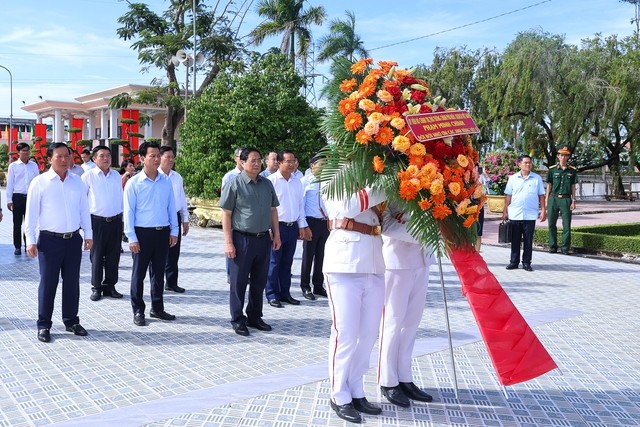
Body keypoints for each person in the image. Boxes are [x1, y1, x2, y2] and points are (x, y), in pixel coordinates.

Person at [324, 186, 387, 424]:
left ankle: (356, 388)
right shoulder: (337, 173)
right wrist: (387, 183)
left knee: (368, 335)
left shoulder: (375, 176)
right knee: (346, 334)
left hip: (375, 262)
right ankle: (339, 394)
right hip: (344, 264)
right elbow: (350, 206)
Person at [24, 142, 93, 343]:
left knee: (72, 283)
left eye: (67, 156)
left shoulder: (77, 182)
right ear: (49, 159)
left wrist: (88, 234)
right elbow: (31, 214)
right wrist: (31, 241)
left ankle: (71, 320)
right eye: (59, 156)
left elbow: (83, 210)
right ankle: (44, 324)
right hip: (49, 241)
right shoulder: (40, 182)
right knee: (48, 283)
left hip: (73, 240)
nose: (64, 160)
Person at [219, 147, 281, 337]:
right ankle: (238, 319)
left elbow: (273, 210)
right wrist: (228, 242)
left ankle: (254, 316)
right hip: (242, 239)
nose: (256, 163)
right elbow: (226, 214)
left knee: (259, 281)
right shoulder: (234, 184)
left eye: (258, 160)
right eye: (252, 160)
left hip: (263, 239)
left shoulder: (266, 184)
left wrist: (276, 234)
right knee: (238, 282)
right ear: (242, 162)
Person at [378, 203, 434, 407]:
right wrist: (422, 233)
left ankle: (404, 377)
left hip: (423, 259)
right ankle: (388, 380)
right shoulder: (390, 179)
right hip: (397, 260)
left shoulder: (433, 177)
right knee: (392, 323)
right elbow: (385, 222)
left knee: (411, 324)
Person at [123, 142, 179, 327]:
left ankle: (157, 307)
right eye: (152, 156)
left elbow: (171, 207)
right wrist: (131, 237)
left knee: (158, 273)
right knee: (138, 275)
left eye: (157, 155)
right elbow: (128, 212)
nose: (156, 159)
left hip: (162, 233)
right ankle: (138, 310)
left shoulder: (166, 182)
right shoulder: (134, 183)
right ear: (142, 159)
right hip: (142, 234)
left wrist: (174, 230)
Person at [266, 150, 310, 307]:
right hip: (278, 227)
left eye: (294, 161)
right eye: (288, 161)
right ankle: (271, 294)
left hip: (292, 228)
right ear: (279, 162)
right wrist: (271, 230)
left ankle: (285, 293)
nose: (292, 164)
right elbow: (267, 208)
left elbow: (300, 207)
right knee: (274, 262)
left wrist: (302, 225)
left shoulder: (297, 182)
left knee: (287, 262)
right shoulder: (271, 182)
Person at [81, 145, 124, 302]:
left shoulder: (116, 176)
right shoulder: (88, 176)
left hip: (115, 221)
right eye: (102, 155)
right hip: (96, 222)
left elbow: (121, 198)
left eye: (108, 155)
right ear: (94, 158)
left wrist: (123, 220)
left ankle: (110, 286)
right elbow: (82, 202)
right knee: (97, 256)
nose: (106, 158)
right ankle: (96, 287)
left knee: (113, 256)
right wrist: (85, 226)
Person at [149, 145, 190, 293]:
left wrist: (185, 219)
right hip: (160, 218)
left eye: (173, 157)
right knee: (159, 253)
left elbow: (182, 198)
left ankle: (172, 282)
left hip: (175, 217)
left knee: (174, 251)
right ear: (159, 158)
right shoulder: (153, 176)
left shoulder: (177, 177)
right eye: (168, 157)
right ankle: (156, 284)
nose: (171, 160)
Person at [502, 154, 546, 271]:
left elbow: (541, 195)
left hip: (530, 214)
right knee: (515, 239)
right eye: (525, 163)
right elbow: (508, 196)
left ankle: (526, 262)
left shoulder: (537, 178)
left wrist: (543, 210)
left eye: (530, 163)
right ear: (519, 164)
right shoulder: (513, 178)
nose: (528, 165)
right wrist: (505, 211)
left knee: (528, 239)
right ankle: (514, 262)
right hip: (515, 213)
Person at [299, 154, 329, 300]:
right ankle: (305, 286)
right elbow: (301, 206)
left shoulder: (327, 182)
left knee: (322, 256)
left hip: (325, 222)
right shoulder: (304, 182)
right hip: (310, 223)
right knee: (308, 256)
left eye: (325, 165)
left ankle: (318, 285)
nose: (324, 168)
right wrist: (303, 226)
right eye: (321, 165)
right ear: (312, 166)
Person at [6, 142, 39, 255]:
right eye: (23, 150)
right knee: (17, 223)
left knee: (29, 223)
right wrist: (9, 200)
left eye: (27, 150)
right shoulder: (13, 166)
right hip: (18, 197)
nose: (26, 152)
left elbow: (37, 182)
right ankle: (17, 247)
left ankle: (28, 245)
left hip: (30, 197)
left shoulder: (33, 165)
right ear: (18, 152)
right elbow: (10, 184)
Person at [546, 146, 578, 255]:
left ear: (568, 157)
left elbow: (573, 186)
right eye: (561, 155)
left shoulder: (572, 171)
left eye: (565, 155)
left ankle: (565, 248)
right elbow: (549, 185)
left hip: (566, 199)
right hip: (553, 198)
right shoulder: (552, 169)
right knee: (551, 224)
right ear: (558, 156)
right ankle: (552, 246)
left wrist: (573, 200)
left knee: (567, 225)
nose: (563, 157)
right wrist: (546, 200)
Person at [475, 165, 487, 252]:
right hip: (465, 206)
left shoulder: (481, 177)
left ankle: (477, 253)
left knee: (478, 232)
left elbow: (484, 191)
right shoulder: (465, 177)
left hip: (478, 207)